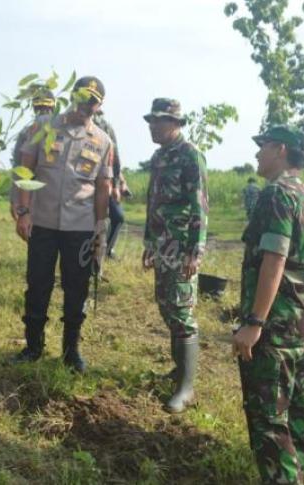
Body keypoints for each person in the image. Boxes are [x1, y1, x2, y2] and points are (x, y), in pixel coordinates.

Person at [232, 125, 304, 484]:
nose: (257, 154)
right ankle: (299, 467)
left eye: (262, 146)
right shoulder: (303, 194)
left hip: (275, 326)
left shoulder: (277, 194)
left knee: (268, 417)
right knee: (293, 405)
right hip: (298, 320)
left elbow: (275, 260)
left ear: (280, 149)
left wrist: (254, 322)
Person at [11, 76, 114, 373]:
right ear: (73, 96)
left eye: (93, 100)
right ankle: (33, 347)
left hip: (80, 227)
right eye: (83, 97)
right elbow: (25, 169)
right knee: (38, 284)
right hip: (42, 221)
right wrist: (23, 211)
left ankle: (71, 351)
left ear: (99, 105)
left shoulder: (103, 141)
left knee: (76, 288)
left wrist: (99, 228)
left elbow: (103, 186)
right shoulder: (43, 129)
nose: (87, 105)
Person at [142, 98, 208, 414]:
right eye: (151, 121)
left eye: (160, 121)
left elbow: (199, 205)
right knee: (166, 305)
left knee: (182, 310)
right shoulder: (158, 157)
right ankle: (177, 368)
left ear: (176, 124)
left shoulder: (190, 156)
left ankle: (186, 387)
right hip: (161, 244)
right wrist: (148, 243)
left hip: (181, 247)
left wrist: (195, 251)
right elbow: (152, 203)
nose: (153, 127)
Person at [8, 89, 56, 212]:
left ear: (34, 108)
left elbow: (20, 169)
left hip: (32, 197)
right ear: (54, 106)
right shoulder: (66, 130)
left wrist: (15, 200)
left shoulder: (26, 131)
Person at [93, 109, 126, 258]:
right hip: (83, 182)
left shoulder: (106, 127)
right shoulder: (73, 124)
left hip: (106, 180)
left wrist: (117, 185)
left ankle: (107, 249)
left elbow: (116, 158)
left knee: (118, 216)